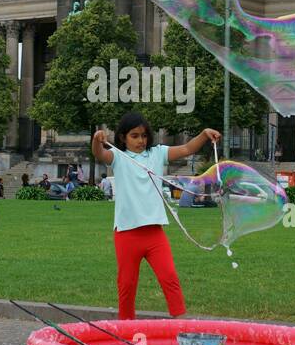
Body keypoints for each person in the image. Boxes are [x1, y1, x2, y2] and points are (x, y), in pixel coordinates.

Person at [92, 110, 219, 321]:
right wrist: (97, 140)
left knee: (169, 278)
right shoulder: (118, 157)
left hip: (154, 234)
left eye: (144, 135)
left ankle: (181, 326)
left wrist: (204, 134)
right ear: (123, 137)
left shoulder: (157, 153)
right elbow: (99, 154)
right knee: (127, 285)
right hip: (126, 234)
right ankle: (126, 329)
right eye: (134, 136)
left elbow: (187, 148)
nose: (141, 140)